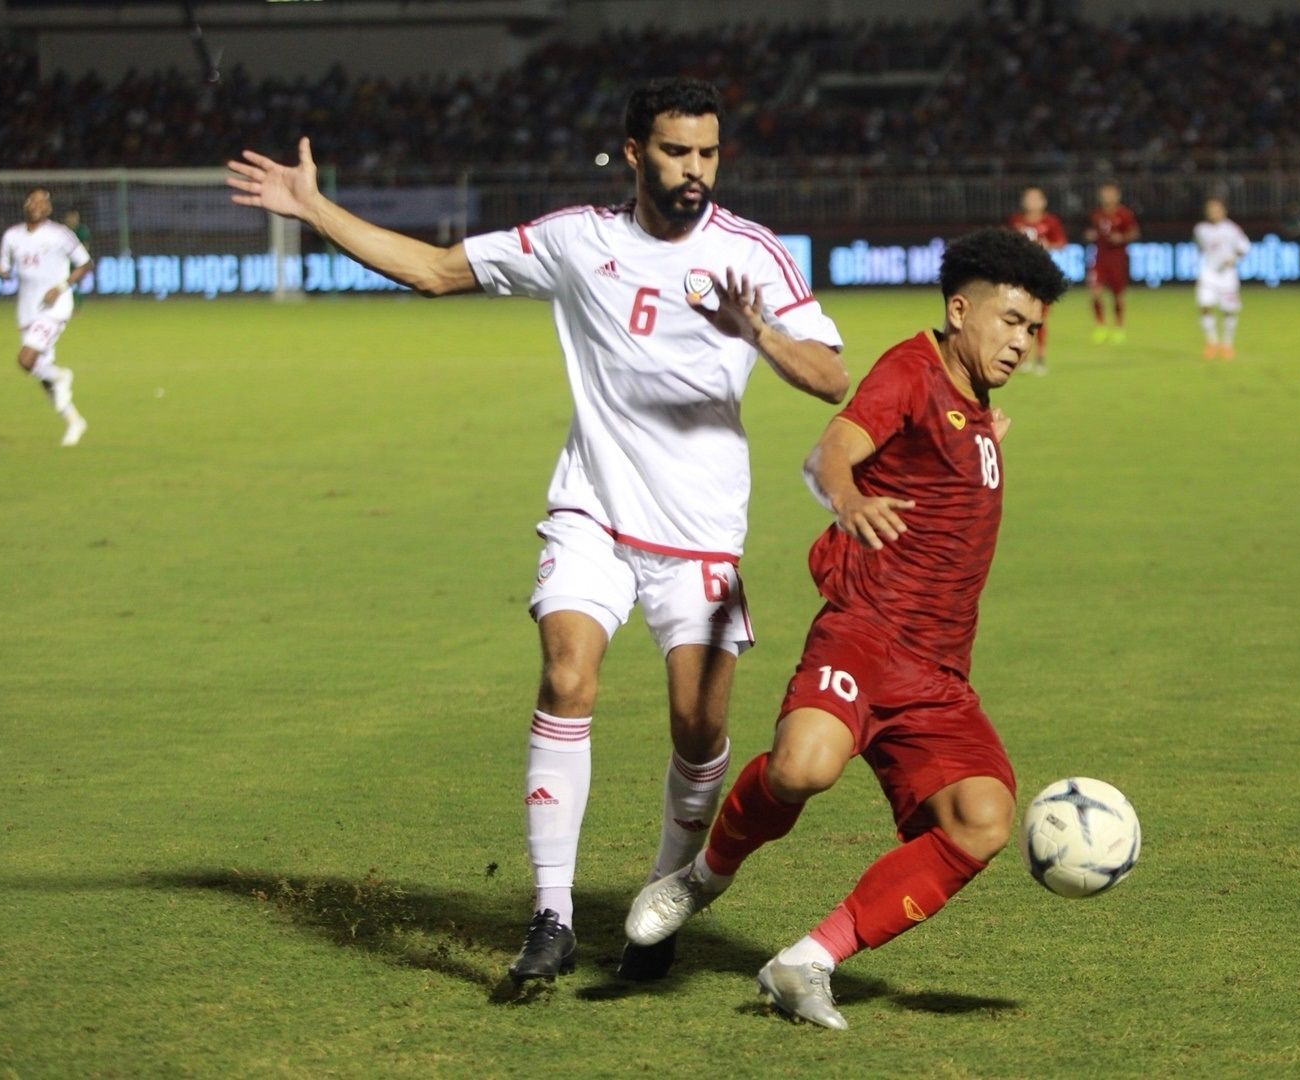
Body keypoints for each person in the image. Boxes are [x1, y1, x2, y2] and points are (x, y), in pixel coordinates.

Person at [226, 77, 850, 983]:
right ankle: (551, 915)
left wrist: (755, 331)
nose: (695, 171)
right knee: (567, 675)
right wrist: (315, 208)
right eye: (677, 152)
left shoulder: (752, 252)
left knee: (697, 728)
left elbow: (832, 377)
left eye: (708, 154)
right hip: (591, 504)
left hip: (701, 527)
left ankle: (665, 897)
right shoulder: (575, 240)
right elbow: (436, 271)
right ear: (636, 153)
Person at [623, 229, 1066, 1030]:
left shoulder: (973, 405)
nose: (1020, 341)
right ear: (959, 309)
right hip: (865, 635)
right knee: (802, 769)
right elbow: (833, 448)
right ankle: (701, 879)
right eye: (1008, 320)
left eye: (1031, 328)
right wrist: (848, 497)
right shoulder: (910, 370)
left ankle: (808, 961)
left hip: (937, 676)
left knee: (984, 819)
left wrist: (979, 436)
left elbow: (945, 469)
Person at [0, 187, 91, 446]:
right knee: (42, 375)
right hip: (27, 308)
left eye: (42, 201)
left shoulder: (60, 234)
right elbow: (6, 269)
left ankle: (62, 376)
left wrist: (60, 287)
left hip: (55, 307)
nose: (36, 204)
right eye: (32, 200)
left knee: (26, 360)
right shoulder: (12, 236)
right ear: (25, 205)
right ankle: (74, 421)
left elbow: (85, 263)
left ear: (48, 209)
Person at [1006, 185, 1066, 374]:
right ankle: (1020, 357)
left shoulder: (1051, 222)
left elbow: (1061, 243)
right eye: (1028, 197)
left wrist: (1048, 245)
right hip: (1020, 276)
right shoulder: (1016, 221)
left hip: (1041, 276)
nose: (1031, 201)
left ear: (1043, 201)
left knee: (1039, 318)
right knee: (1017, 317)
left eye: (1035, 198)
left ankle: (1040, 358)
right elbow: (1007, 243)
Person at [1193, 197, 1250, 360]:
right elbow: (1199, 249)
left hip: (1227, 276)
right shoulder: (1200, 229)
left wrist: (1234, 258)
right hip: (1208, 274)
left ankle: (1227, 344)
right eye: (1210, 209)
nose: (1213, 212)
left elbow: (1245, 247)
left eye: (1216, 209)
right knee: (1204, 305)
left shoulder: (1232, 229)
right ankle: (1211, 342)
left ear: (1223, 211)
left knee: (1229, 310)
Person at [1084, 182, 1138, 344]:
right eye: (1104, 194)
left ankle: (1119, 326)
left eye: (1110, 193)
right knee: (1095, 292)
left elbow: (1134, 233)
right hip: (1099, 259)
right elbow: (1092, 231)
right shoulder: (1096, 214)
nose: (1107, 197)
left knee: (1117, 296)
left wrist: (1122, 238)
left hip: (1117, 260)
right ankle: (1100, 325)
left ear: (1117, 195)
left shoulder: (1124, 214)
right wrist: (1091, 235)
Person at [63, 209, 93, 310]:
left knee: (77, 284)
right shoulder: (62, 231)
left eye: (74, 218)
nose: (72, 220)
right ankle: (67, 305)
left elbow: (85, 246)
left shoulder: (82, 230)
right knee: (66, 285)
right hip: (64, 262)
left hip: (78, 263)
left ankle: (77, 306)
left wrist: (84, 260)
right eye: (70, 217)